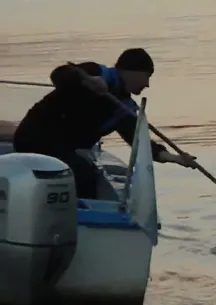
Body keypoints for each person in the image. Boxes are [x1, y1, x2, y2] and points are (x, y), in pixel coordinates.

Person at [12, 48, 197, 199]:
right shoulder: (97, 72)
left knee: (88, 174)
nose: (147, 84)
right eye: (147, 76)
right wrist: (87, 80)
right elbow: (59, 74)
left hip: (63, 148)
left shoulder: (124, 107)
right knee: (83, 174)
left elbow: (140, 143)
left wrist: (176, 158)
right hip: (35, 137)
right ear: (131, 72)